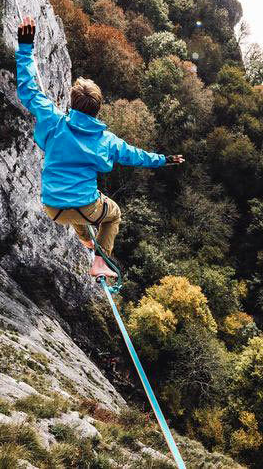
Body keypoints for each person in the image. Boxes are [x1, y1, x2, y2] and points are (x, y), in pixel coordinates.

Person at [15, 16, 183, 280]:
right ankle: (101, 261)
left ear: (71, 102)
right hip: (83, 205)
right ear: (98, 109)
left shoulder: (53, 119)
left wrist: (25, 47)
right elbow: (136, 156)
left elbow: (28, 89)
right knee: (113, 214)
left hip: (53, 206)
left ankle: (87, 240)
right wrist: (164, 160)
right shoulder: (106, 140)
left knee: (81, 209)